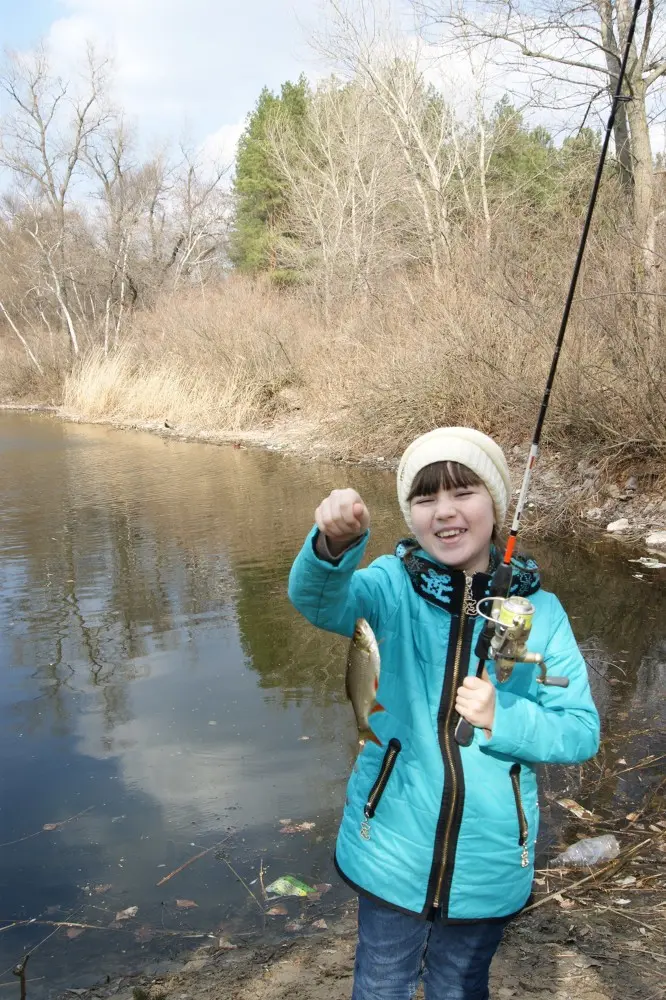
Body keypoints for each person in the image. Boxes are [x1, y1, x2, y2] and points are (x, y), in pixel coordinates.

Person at [288, 427, 600, 1000]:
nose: (445, 512)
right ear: (408, 514)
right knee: (382, 979)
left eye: (464, 493)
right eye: (425, 498)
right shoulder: (389, 585)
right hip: (389, 849)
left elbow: (580, 731)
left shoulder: (541, 614)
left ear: (497, 505)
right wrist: (331, 547)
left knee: (460, 983)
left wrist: (503, 717)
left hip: (490, 861)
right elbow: (318, 600)